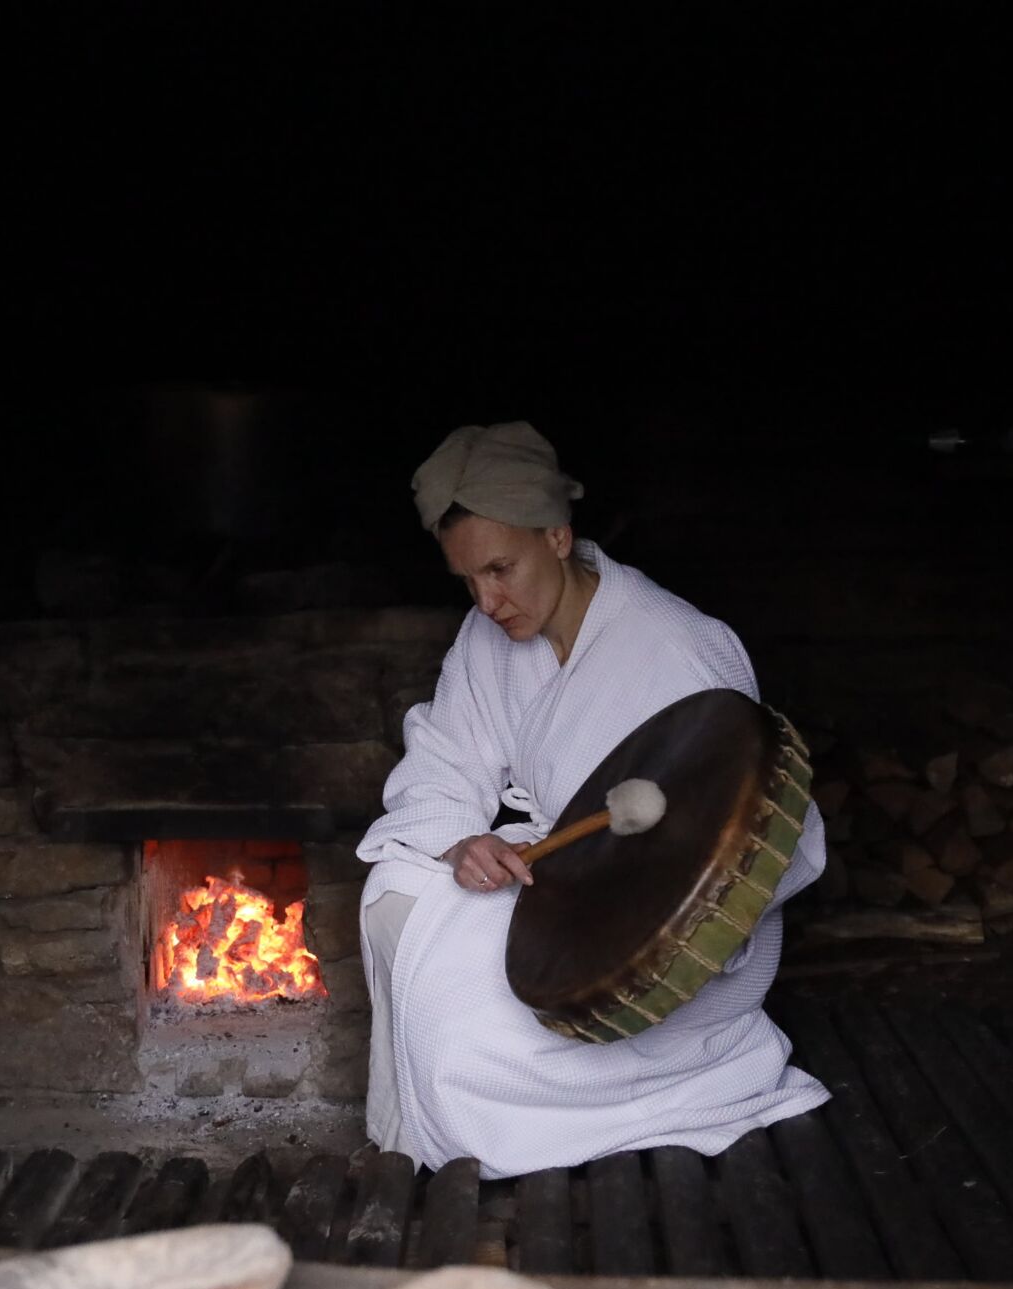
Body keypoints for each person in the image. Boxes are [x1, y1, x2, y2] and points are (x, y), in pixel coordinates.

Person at [355, 420, 830, 1179]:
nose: (487, 600)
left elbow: (741, 839)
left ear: (556, 534)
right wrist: (463, 843)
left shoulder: (676, 647)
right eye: (468, 580)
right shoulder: (489, 641)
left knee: (455, 1019)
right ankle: (428, 1121)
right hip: (555, 882)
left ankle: (502, 1134)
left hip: (664, 934)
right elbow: (442, 765)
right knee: (395, 892)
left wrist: (606, 911)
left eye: (501, 569)